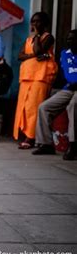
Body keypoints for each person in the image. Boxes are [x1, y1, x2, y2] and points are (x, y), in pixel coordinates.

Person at [13, 12, 57, 149]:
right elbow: (20, 56)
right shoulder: (28, 39)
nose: (34, 24)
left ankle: (30, 137)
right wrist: (32, 55)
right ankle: (24, 133)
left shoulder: (48, 37)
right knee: (24, 107)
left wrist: (37, 36)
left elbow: (39, 51)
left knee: (34, 107)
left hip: (41, 77)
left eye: (38, 21)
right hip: (27, 77)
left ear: (45, 23)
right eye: (33, 22)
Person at [33, 29, 77, 160]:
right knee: (44, 107)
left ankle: (73, 145)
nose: (69, 41)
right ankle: (46, 144)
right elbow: (68, 75)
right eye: (68, 39)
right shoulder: (65, 53)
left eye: (73, 39)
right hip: (69, 88)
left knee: (73, 106)